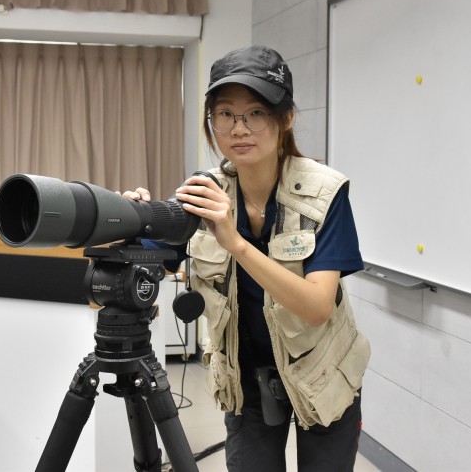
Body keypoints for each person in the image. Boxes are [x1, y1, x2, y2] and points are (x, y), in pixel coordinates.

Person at [123, 45, 370, 471]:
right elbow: (147, 261)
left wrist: (236, 242)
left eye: (256, 113)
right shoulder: (204, 194)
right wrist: (129, 221)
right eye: (224, 114)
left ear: (285, 118)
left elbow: (315, 308)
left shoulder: (325, 193)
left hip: (323, 374)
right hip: (245, 380)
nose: (239, 128)